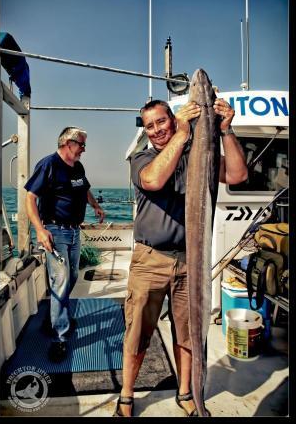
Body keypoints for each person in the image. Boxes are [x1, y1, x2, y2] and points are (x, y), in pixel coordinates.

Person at [114, 99, 248, 416]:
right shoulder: (141, 157)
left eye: (162, 121)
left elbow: (238, 175)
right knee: (137, 333)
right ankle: (127, 395)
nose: (158, 129)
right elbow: (154, 180)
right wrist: (183, 134)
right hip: (150, 260)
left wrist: (226, 131)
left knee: (186, 333)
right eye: (150, 125)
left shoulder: (195, 159)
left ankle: (185, 392)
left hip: (189, 260)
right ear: (146, 131)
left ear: (173, 119)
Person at [25, 126, 105, 362]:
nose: (84, 149)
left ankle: (55, 317)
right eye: (81, 144)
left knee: (70, 277)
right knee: (60, 283)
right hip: (54, 231)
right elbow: (30, 197)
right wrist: (40, 230)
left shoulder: (78, 167)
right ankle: (59, 338)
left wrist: (95, 206)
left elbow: (85, 188)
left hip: (74, 232)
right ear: (68, 143)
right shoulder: (48, 164)